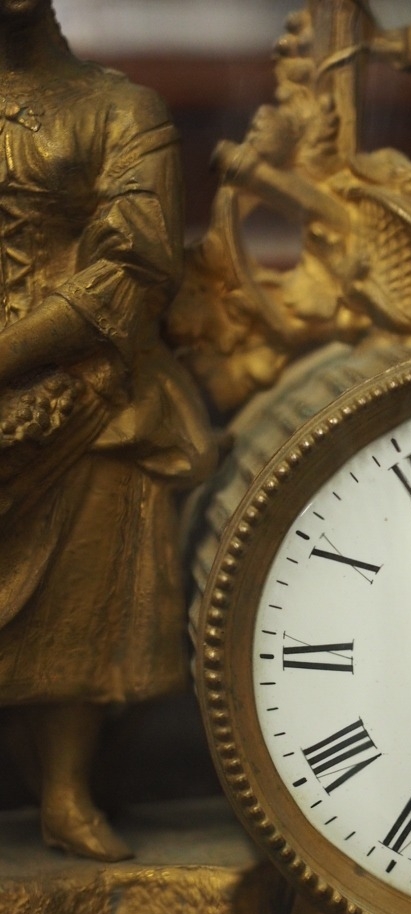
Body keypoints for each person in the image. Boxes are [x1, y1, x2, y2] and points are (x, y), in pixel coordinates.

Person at [0, 0, 216, 860]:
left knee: (83, 583)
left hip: (81, 384)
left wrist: (11, 351)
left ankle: (64, 791)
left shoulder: (121, 110)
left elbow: (136, 260)